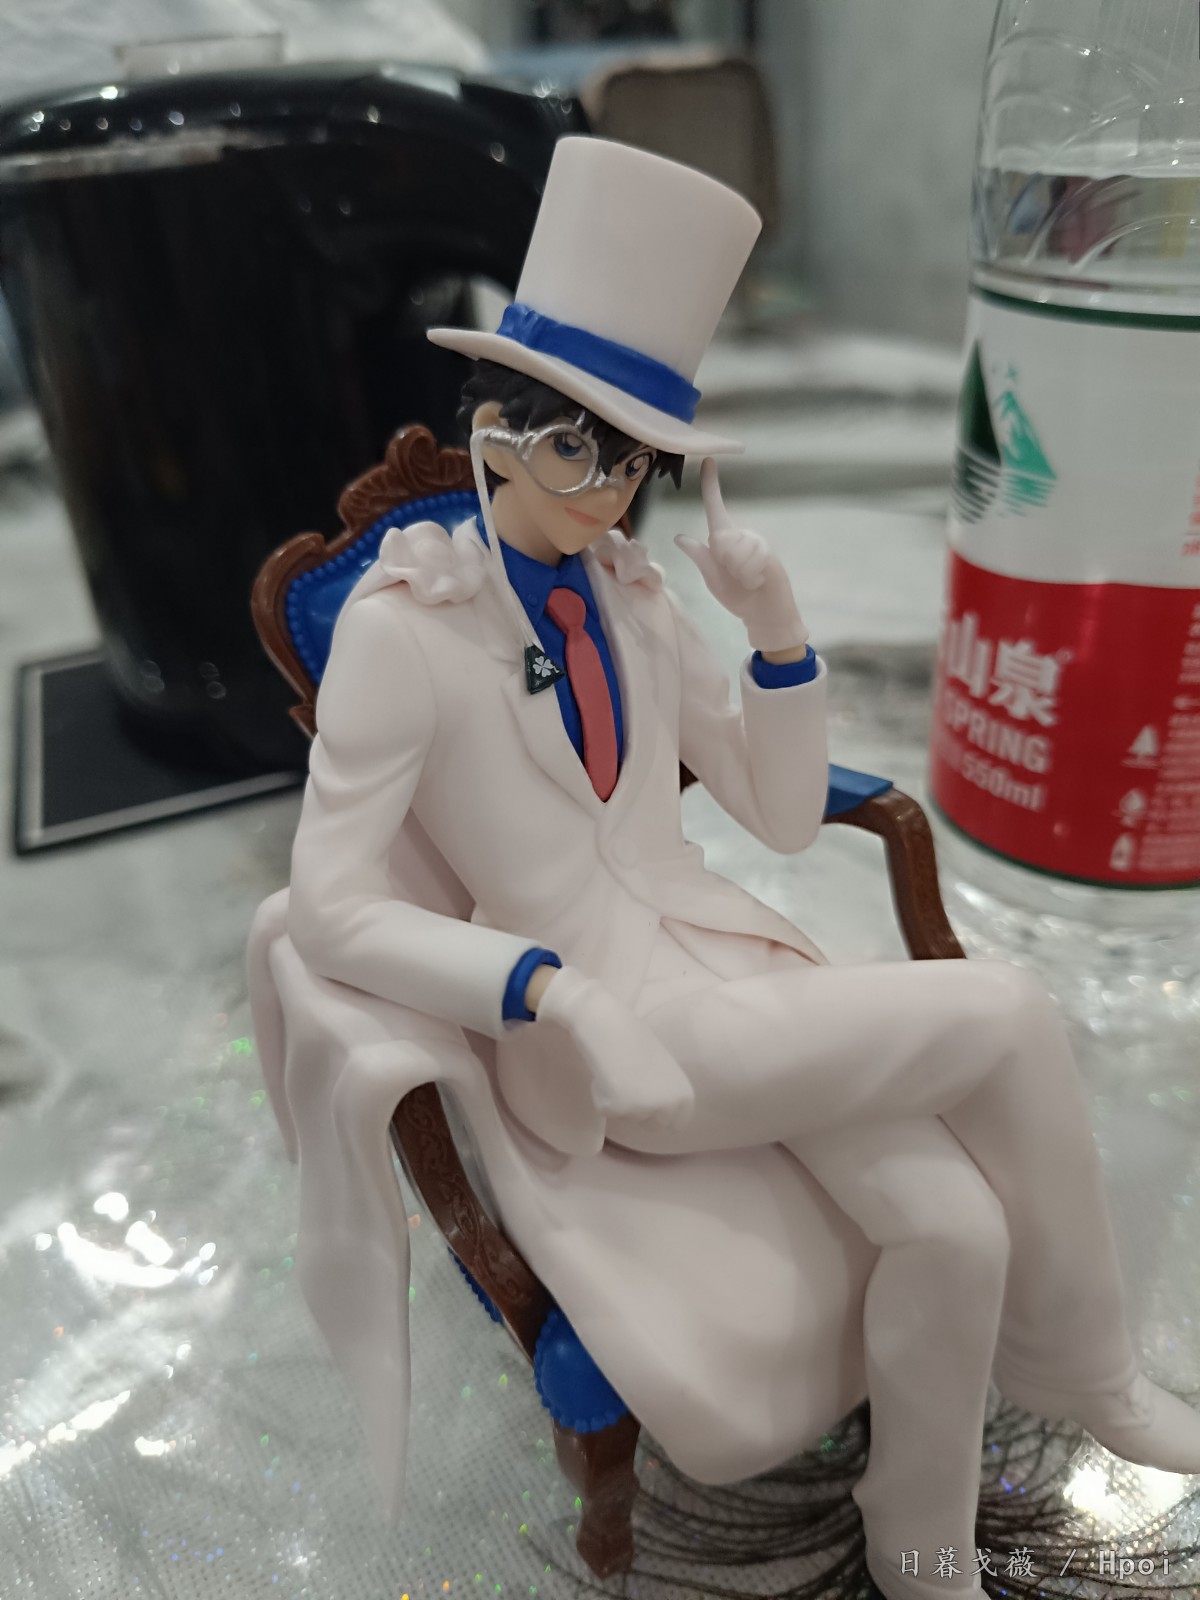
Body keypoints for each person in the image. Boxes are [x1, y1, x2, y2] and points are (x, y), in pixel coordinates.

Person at [262, 138, 1200, 1600]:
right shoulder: (406, 629)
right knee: (1008, 1010)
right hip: (603, 1039)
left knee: (952, 1227)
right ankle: (1092, 1372)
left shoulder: (637, 602)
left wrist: (774, 633)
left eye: (635, 465)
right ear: (498, 430)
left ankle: (922, 1548)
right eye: (579, 453)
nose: (607, 495)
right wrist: (550, 993)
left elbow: (775, 812)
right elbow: (331, 904)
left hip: (727, 972)